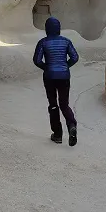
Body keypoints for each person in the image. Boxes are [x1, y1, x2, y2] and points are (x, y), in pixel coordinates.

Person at [33, 17, 79, 146]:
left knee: (53, 104)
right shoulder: (66, 41)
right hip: (64, 76)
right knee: (64, 104)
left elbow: (37, 60)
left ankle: (58, 135)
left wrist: (46, 68)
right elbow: (75, 57)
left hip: (49, 77)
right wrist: (65, 66)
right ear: (59, 28)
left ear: (47, 28)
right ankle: (71, 126)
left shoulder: (43, 42)